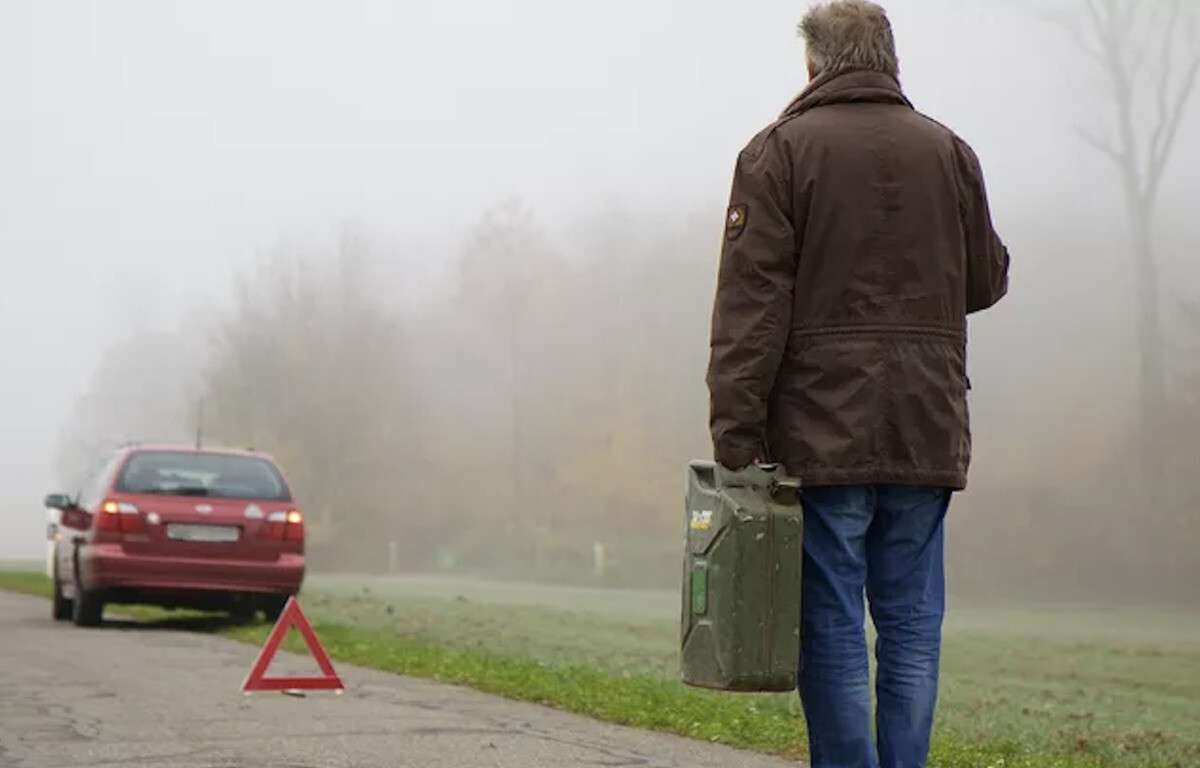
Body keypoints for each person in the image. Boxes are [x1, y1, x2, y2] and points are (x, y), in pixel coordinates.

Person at [705, 2, 1009, 767]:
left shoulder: (777, 153)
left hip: (822, 430)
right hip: (927, 420)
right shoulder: (951, 152)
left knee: (835, 623)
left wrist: (735, 432)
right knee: (910, 625)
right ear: (888, 59)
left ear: (814, 63)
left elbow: (753, 307)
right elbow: (986, 279)